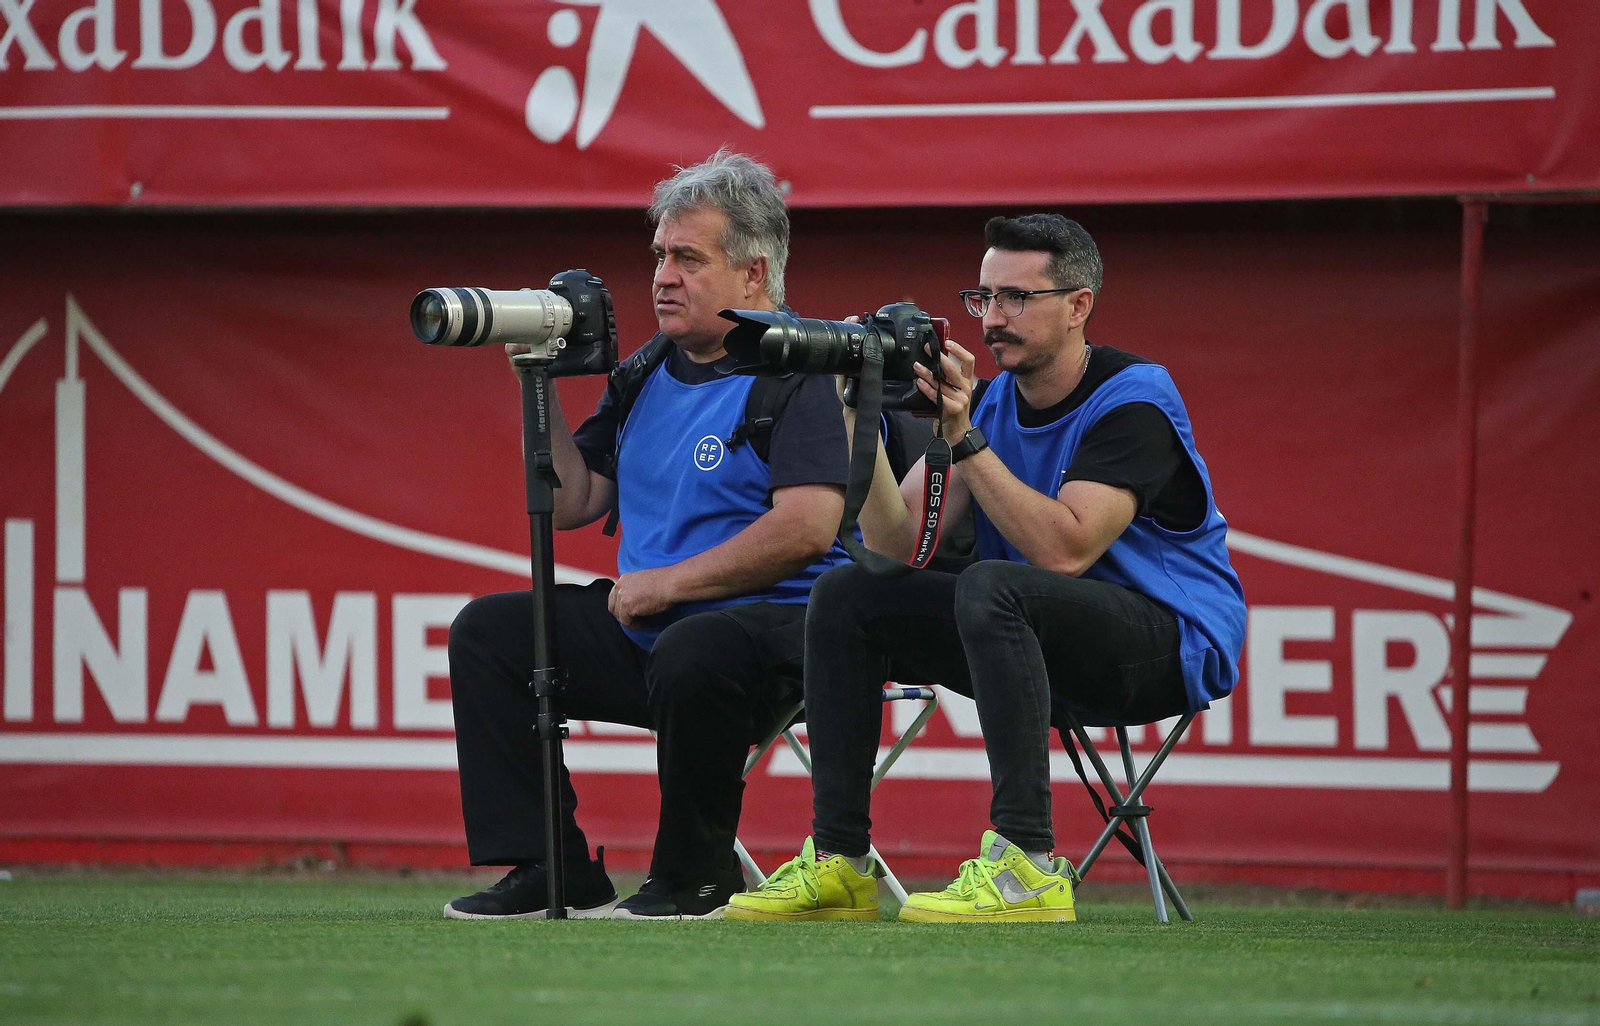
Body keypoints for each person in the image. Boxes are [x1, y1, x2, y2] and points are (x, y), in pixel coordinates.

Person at [726, 214, 1247, 923]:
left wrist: (964, 436)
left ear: (1078, 305)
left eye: (1015, 299)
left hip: (1162, 647)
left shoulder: (1135, 400)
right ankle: (840, 864)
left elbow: (1065, 552)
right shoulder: (997, 400)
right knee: (850, 592)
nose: (993, 319)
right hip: (1035, 640)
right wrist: (861, 413)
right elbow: (893, 543)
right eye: (983, 298)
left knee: (991, 585)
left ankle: (1026, 866)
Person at [445, 151, 851, 920]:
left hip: (781, 637)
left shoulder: (802, 368)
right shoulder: (646, 370)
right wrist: (535, 382)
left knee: (697, 647)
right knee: (491, 633)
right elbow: (575, 501)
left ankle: (692, 879)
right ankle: (551, 869)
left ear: (754, 275)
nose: (663, 275)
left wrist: (671, 585)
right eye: (660, 255)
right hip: (654, 632)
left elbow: (807, 527)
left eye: (688, 259)